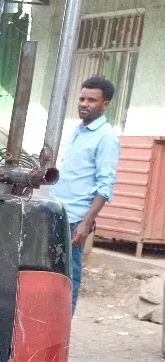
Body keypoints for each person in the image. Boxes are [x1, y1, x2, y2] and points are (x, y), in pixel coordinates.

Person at [51, 76, 121, 312]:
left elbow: (105, 184)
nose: (84, 103)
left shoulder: (106, 138)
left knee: (69, 278)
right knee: (52, 276)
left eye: (92, 100)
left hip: (75, 221)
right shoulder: (78, 131)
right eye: (82, 98)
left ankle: (62, 337)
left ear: (105, 104)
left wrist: (86, 223)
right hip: (57, 212)